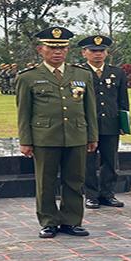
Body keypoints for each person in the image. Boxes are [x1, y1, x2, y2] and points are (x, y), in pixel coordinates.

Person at [16, 26, 98, 239]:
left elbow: (90, 108)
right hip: (45, 137)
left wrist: (92, 136)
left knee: (75, 180)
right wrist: (26, 141)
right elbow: (23, 113)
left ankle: (72, 221)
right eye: (52, 48)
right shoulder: (28, 77)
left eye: (62, 48)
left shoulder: (81, 74)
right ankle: (49, 221)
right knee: (46, 182)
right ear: (40, 49)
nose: (57, 52)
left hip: (76, 135)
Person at [77, 35, 130, 209]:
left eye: (101, 51)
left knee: (110, 161)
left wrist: (124, 123)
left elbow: (123, 100)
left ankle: (107, 194)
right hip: (87, 125)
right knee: (88, 162)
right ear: (84, 53)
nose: (98, 54)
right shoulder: (78, 73)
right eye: (93, 51)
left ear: (107, 53)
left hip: (111, 124)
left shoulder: (117, 73)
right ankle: (91, 195)